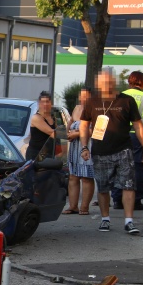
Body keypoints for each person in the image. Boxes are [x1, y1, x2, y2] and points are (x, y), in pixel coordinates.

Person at [80, 69, 143, 234]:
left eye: (109, 81)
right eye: (103, 82)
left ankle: (129, 221)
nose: (107, 85)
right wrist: (85, 146)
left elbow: (138, 126)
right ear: (98, 84)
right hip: (100, 151)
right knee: (103, 188)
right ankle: (105, 219)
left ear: (114, 82)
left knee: (128, 185)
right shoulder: (92, 102)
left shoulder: (127, 101)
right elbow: (84, 124)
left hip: (124, 150)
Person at [110, 71, 143, 211]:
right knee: (139, 167)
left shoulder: (119, 95)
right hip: (139, 136)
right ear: (141, 81)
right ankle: (135, 200)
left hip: (121, 134)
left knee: (120, 167)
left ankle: (118, 199)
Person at [62, 87, 95, 215]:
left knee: (86, 177)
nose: (83, 98)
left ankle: (84, 207)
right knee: (73, 177)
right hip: (74, 148)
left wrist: (77, 134)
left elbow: (96, 130)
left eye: (86, 96)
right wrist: (68, 133)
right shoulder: (76, 108)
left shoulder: (94, 109)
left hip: (88, 146)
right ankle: (73, 206)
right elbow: (69, 124)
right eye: (81, 96)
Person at [25, 91, 56, 161]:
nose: (45, 104)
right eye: (42, 102)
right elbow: (51, 132)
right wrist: (71, 134)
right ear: (39, 104)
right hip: (35, 154)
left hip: (48, 154)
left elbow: (56, 135)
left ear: (51, 103)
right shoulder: (36, 118)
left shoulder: (53, 118)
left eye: (47, 101)